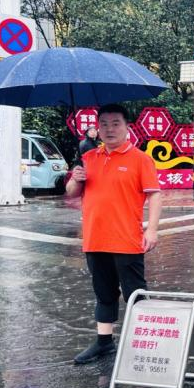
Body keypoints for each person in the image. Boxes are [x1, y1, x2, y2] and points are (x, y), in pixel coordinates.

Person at [65, 104, 162, 364]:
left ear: (127, 127)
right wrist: (76, 178)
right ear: (97, 128)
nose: (109, 129)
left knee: (135, 293)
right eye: (104, 124)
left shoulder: (141, 159)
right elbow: (72, 193)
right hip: (95, 238)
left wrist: (152, 230)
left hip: (126, 238)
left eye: (115, 123)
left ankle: (145, 340)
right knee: (104, 292)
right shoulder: (88, 158)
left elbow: (154, 195)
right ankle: (104, 342)